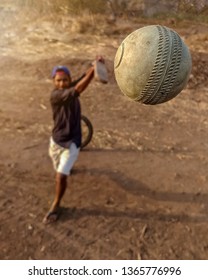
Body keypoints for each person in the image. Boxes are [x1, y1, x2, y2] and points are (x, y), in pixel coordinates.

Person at [43, 58, 103, 224]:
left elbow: (79, 81)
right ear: (54, 82)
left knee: (61, 176)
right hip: (56, 141)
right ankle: (66, 168)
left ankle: (56, 205)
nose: (62, 83)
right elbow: (78, 88)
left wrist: (93, 66)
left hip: (72, 142)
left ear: (68, 80)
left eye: (65, 80)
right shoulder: (55, 95)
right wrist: (93, 72)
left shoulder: (69, 86)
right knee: (59, 169)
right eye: (58, 80)